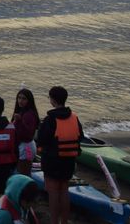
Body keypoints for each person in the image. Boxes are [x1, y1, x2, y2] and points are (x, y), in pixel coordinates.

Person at [36, 86, 83, 224]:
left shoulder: (50, 119)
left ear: (53, 100)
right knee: (64, 191)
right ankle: (64, 222)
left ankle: (54, 221)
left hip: (52, 161)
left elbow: (42, 139)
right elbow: (80, 136)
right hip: (69, 160)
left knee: (53, 192)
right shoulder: (74, 117)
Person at [11, 88, 40, 176]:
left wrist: (19, 121)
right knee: (22, 172)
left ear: (29, 100)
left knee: (24, 174)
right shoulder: (21, 112)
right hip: (22, 146)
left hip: (26, 147)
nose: (20, 101)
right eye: (19, 98)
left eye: (24, 98)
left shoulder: (29, 114)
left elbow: (28, 134)